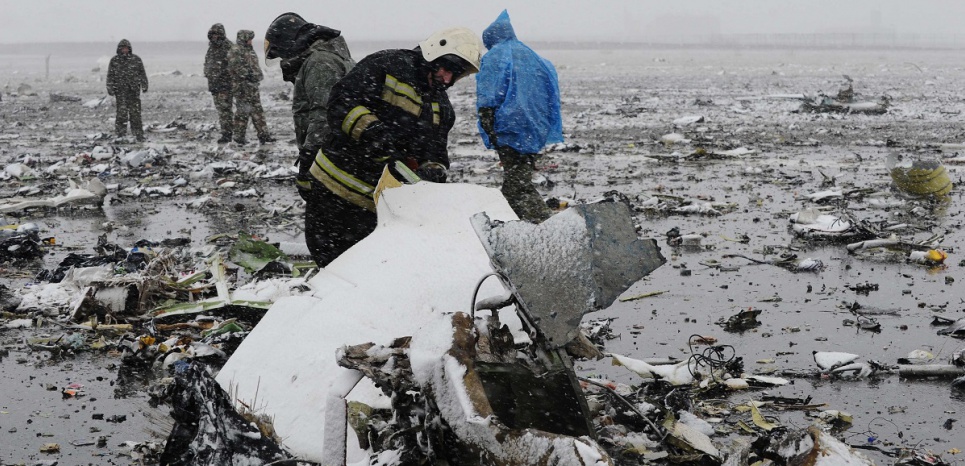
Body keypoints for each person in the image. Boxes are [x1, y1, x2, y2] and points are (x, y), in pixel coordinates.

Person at [300, 27, 483, 267]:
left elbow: (436, 151)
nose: (447, 79)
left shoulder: (441, 108)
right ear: (433, 53)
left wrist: (433, 170)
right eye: (447, 68)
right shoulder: (387, 65)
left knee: (361, 271)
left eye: (455, 75)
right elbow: (340, 103)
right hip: (332, 191)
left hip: (376, 207)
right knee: (330, 264)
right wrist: (371, 133)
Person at [476, 10, 563, 223]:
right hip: (535, 128)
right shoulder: (534, 57)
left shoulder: (495, 56)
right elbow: (550, 94)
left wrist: (489, 126)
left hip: (509, 127)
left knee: (517, 187)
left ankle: (545, 227)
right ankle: (518, 224)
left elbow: (489, 96)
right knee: (516, 181)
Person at [264, 12, 354, 197]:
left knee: (329, 214)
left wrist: (310, 157)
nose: (282, 59)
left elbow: (324, 114)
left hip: (333, 157)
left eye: (281, 53)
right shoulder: (324, 58)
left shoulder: (319, 62)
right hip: (340, 153)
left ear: (289, 43)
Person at [228, 30, 274, 145]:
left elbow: (254, 66)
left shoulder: (249, 50)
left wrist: (257, 76)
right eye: (249, 39)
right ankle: (239, 137)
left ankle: (264, 135)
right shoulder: (236, 50)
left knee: (258, 111)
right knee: (242, 112)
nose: (250, 41)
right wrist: (248, 76)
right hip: (242, 88)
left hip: (252, 87)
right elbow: (235, 67)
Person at [106, 39, 149, 141]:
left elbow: (142, 73)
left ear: (129, 49)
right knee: (121, 114)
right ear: (119, 49)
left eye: (126, 48)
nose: (124, 50)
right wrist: (110, 88)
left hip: (134, 91)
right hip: (120, 91)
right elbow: (110, 76)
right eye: (123, 48)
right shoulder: (114, 60)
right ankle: (121, 134)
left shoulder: (136, 59)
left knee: (135, 114)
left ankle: (138, 134)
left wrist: (144, 85)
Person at [204, 24, 234, 143]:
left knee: (225, 110)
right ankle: (226, 132)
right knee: (221, 111)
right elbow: (207, 63)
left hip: (225, 85)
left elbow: (233, 65)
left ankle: (227, 134)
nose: (215, 37)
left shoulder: (228, 47)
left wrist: (223, 75)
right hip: (214, 85)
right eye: (213, 34)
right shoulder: (211, 47)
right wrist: (208, 74)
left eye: (217, 34)